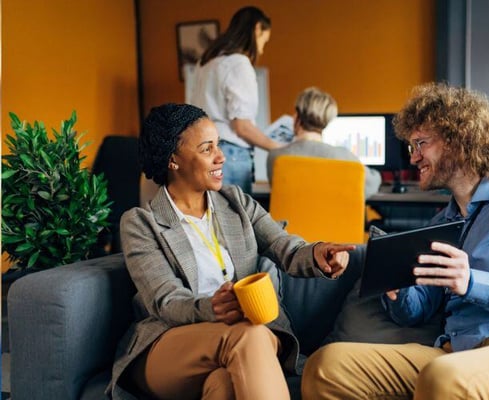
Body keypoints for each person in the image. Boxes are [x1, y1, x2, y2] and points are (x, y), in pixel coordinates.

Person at [302, 83, 489, 399]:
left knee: (443, 378)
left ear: (458, 139)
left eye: (421, 143)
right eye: (411, 147)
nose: (414, 158)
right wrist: (396, 289)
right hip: (457, 352)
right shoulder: (441, 224)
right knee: (326, 367)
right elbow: (418, 310)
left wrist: (473, 281)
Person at [106, 103, 355, 399]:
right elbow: (166, 301)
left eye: (218, 145)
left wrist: (317, 254)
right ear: (173, 159)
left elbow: (284, 246)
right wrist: (212, 307)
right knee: (246, 336)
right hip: (170, 346)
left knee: (224, 384)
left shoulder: (235, 202)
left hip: (250, 339)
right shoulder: (141, 223)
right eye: (207, 148)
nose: (221, 156)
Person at [188, 6, 284, 195]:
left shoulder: (206, 63)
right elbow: (242, 126)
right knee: (235, 221)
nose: (262, 48)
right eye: (264, 40)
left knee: (213, 219)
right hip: (230, 155)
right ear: (257, 29)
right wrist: (277, 147)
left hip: (204, 151)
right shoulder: (239, 63)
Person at [267, 87, 382, 198]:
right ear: (327, 120)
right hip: (335, 218)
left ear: (297, 117)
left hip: (290, 218)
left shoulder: (275, 157)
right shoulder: (344, 157)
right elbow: (371, 184)